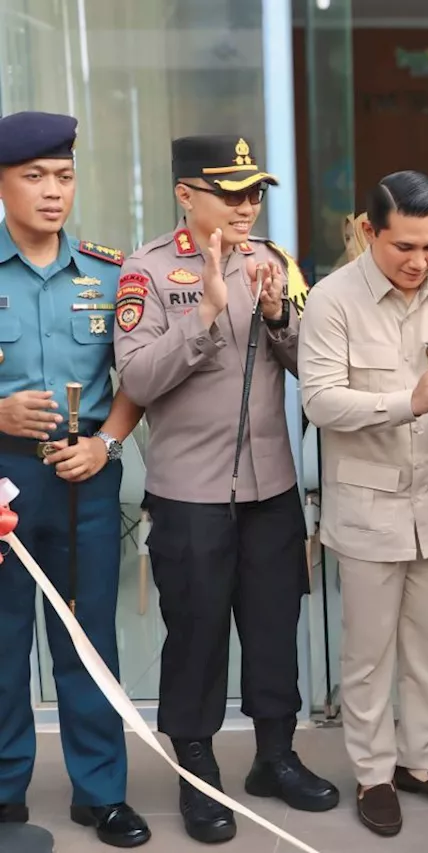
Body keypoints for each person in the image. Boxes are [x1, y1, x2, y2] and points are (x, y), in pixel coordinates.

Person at [113, 135, 338, 844]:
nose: (247, 205)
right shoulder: (146, 272)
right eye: (231, 191)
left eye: (254, 192)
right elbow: (140, 380)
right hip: (189, 494)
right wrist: (205, 313)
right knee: (198, 634)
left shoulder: (273, 263)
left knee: (275, 628)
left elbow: (313, 368)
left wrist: (277, 316)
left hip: (270, 489)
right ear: (187, 194)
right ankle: (197, 771)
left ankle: (275, 755)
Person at [300, 170, 428, 836]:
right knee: (368, 652)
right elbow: (320, 399)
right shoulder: (332, 300)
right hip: (366, 509)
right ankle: (374, 772)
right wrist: (408, 401)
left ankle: (422, 761)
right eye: (402, 247)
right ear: (368, 232)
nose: (418, 262)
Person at [0, 111, 151, 848]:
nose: (52, 192)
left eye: (62, 176)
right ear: (3, 184)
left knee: (89, 637)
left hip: (83, 475)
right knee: (0, 637)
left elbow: (137, 377)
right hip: (2, 480)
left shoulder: (109, 270)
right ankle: (4, 790)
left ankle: (101, 791)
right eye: (33, 177)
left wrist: (108, 443)